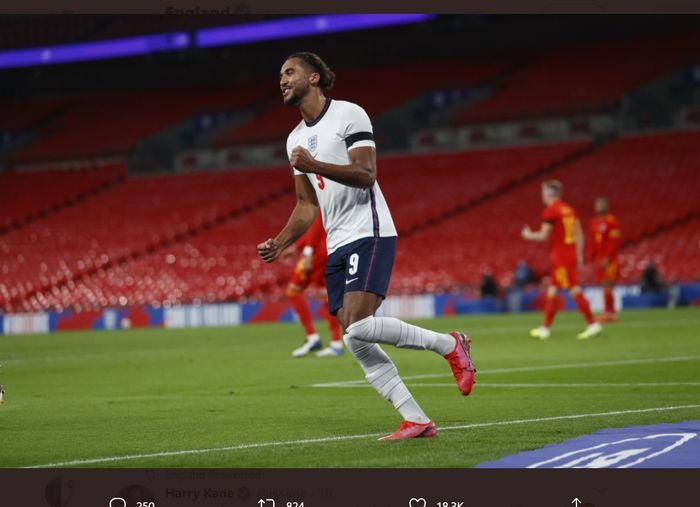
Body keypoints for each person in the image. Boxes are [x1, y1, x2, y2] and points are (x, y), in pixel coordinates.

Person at [258, 52, 476, 440]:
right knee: (354, 336)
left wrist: (315, 165)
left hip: (369, 229)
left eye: (289, 72)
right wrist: (281, 241)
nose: (282, 80)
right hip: (337, 240)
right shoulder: (294, 139)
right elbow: (307, 205)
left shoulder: (349, 114)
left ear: (313, 78)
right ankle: (417, 420)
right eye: (280, 75)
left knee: (358, 326)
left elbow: (366, 174)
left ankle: (449, 344)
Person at [521, 180, 602, 340]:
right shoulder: (569, 210)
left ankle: (593, 324)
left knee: (574, 289)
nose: (542, 196)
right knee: (553, 290)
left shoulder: (551, 211)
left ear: (550, 194)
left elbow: (544, 235)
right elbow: (579, 233)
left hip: (561, 257)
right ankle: (545, 329)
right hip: (569, 254)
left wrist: (528, 235)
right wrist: (579, 256)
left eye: (543, 193)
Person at [286, 213, 343, 357]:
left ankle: (315, 338)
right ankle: (335, 343)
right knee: (326, 296)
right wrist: (298, 247)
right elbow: (318, 230)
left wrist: (307, 252)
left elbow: (316, 228)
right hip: (328, 249)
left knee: (294, 291)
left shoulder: (319, 196)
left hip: (318, 253)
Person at [589, 196, 621, 322]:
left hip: (609, 259)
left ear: (607, 206)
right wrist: (590, 257)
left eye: (602, 204)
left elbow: (614, 241)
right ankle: (608, 312)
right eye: (597, 204)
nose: (599, 207)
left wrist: (608, 257)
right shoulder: (594, 222)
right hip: (599, 258)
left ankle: (610, 313)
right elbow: (593, 242)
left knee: (608, 283)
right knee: (604, 285)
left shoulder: (611, 221)